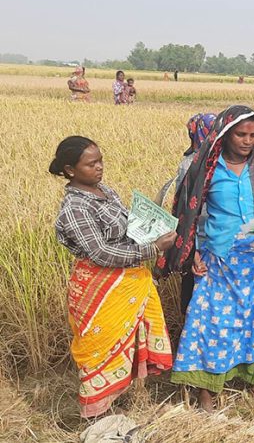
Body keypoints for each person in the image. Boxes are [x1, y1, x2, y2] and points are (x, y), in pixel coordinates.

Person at [158, 105, 254, 411]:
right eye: (240, 134)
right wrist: (192, 253)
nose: (248, 140)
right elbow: (186, 213)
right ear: (224, 133)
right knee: (211, 325)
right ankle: (207, 392)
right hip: (217, 260)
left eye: (253, 134)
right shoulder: (205, 166)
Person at [50, 136, 176, 418]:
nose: (99, 168)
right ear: (71, 170)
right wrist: (153, 248)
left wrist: (153, 227)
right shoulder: (75, 208)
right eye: (91, 163)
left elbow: (126, 228)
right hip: (99, 288)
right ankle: (95, 416)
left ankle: (116, 405)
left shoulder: (104, 191)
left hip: (127, 282)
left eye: (100, 160)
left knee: (125, 344)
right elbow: (102, 253)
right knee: (99, 348)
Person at [173, 113, 216, 314]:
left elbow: (180, 201)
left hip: (192, 232)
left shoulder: (188, 162)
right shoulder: (219, 161)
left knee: (192, 285)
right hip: (210, 233)